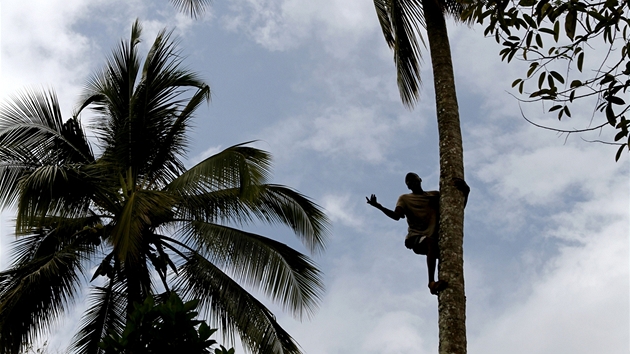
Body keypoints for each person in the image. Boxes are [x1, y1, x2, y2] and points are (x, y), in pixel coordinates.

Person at [366, 173, 469, 295]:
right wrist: (379, 206)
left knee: (440, 251)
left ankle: (442, 281)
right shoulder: (404, 199)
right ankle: (431, 283)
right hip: (415, 238)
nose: (412, 182)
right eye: (408, 182)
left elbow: (455, 209)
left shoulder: (435, 196)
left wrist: (466, 191)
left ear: (420, 179)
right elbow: (396, 216)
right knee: (430, 243)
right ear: (408, 187)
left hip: (433, 238)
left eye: (413, 179)